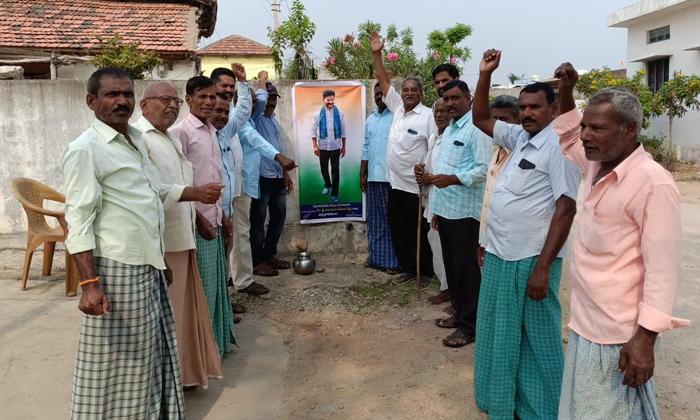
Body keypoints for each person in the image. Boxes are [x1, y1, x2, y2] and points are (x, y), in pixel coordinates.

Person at [61, 67, 221, 418]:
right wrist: (89, 285)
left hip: (146, 263)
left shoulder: (134, 139)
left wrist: (158, 259)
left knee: (151, 352)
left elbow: (152, 195)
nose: (121, 101)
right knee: (120, 362)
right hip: (117, 267)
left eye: (126, 94)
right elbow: (79, 220)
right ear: (92, 101)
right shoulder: (86, 149)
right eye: (111, 95)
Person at [553, 63, 691, 419]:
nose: (585, 135)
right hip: (587, 323)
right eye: (585, 125)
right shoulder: (599, 163)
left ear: (629, 130)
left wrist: (645, 339)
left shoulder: (652, 183)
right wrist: (566, 92)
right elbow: (569, 137)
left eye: (597, 128)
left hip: (619, 333)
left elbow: (664, 270)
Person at [472, 49, 582, 420]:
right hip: (503, 254)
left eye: (536, 107)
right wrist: (485, 73)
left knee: (540, 340)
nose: (527, 113)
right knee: (500, 334)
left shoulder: (562, 147)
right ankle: (506, 402)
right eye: (523, 107)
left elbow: (566, 209)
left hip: (532, 261)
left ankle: (546, 410)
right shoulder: (520, 136)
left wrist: (543, 268)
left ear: (553, 111)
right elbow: (481, 117)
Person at [136, 81, 222, 389]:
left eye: (174, 101)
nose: (172, 106)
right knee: (170, 315)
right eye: (164, 100)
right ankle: (167, 383)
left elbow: (174, 185)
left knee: (184, 315)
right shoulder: (139, 139)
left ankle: (184, 376)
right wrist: (196, 193)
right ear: (144, 105)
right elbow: (149, 191)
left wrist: (197, 216)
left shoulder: (167, 138)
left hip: (182, 237)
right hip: (164, 242)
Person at [171, 69, 245, 358]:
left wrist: (223, 217)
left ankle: (217, 343)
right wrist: (200, 219)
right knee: (202, 289)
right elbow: (180, 184)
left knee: (217, 289)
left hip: (215, 221)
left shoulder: (213, 131)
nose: (208, 102)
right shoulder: (182, 133)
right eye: (201, 96)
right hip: (196, 225)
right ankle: (202, 351)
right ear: (188, 100)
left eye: (211, 96)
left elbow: (214, 176)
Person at [214, 68, 296, 292]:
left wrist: (246, 82)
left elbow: (252, 108)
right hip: (219, 188)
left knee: (240, 233)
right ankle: (227, 285)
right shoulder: (217, 116)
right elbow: (253, 137)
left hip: (242, 183)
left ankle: (241, 281)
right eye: (225, 86)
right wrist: (278, 157)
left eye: (232, 87)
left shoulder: (241, 117)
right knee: (222, 238)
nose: (229, 90)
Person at [424, 80, 491, 348]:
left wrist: (452, 179)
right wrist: (437, 211)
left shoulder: (478, 129)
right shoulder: (450, 128)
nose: (450, 103)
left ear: (468, 98)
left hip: (466, 214)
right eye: (446, 98)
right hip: (447, 210)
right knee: (453, 267)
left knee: (466, 271)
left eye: (455, 98)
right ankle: (459, 313)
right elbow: (442, 167)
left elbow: (484, 169)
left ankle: (470, 326)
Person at [370, 30, 437, 288]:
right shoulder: (397, 107)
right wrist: (377, 54)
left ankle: (426, 272)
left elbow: (433, 149)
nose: (409, 93)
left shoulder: (428, 116)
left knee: (417, 232)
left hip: (415, 188)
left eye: (414, 90)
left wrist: (428, 176)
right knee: (397, 230)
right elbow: (384, 82)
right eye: (406, 89)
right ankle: (408, 270)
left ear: (421, 93)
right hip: (394, 184)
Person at [251, 82, 294, 276]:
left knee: (278, 219)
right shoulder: (256, 118)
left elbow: (279, 149)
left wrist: (285, 173)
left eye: (274, 98)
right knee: (258, 222)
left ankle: (268, 255)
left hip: (277, 176)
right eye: (269, 97)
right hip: (262, 177)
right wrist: (261, 80)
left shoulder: (273, 120)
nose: (271, 102)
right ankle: (257, 261)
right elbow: (259, 102)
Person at [415, 98, 451, 307]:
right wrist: (421, 171)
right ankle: (446, 286)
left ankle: (450, 290)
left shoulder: (454, 138)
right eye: (436, 111)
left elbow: (451, 173)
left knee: (445, 247)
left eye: (444, 111)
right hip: (432, 200)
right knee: (434, 242)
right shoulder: (434, 137)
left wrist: (431, 177)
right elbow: (430, 165)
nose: (439, 115)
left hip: (447, 203)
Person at [361, 83, 399, 274]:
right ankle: (375, 257)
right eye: (376, 94)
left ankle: (393, 262)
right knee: (374, 220)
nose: (378, 97)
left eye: (381, 93)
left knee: (391, 220)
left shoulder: (397, 117)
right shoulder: (371, 119)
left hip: (390, 178)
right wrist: (362, 173)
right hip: (373, 178)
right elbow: (366, 146)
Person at [478, 95, 520, 264]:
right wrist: (482, 241)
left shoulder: (521, 155)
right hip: (490, 240)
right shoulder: (494, 149)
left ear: (519, 123)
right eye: (494, 119)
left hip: (510, 247)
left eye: (504, 119)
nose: (497, 125)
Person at [312, 89, 347, 204]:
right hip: (322, 147)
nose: (330, 102)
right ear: (323, 100)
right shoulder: (317, 114)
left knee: (335, 172)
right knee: (324, 169)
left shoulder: (340, 114)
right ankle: (327, 185)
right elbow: (313, 130)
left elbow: (343, 131)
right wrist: (315, 146)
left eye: (332, 99)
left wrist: (343, 147)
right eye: (328, 100)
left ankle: (334, 195)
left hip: (336, 147)